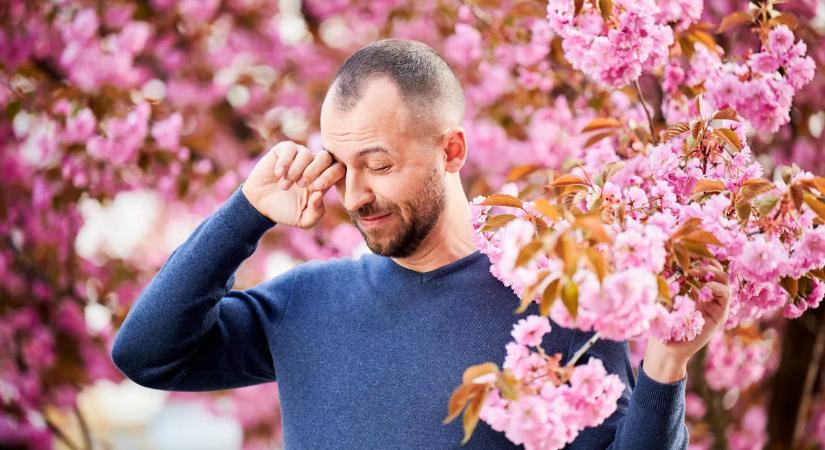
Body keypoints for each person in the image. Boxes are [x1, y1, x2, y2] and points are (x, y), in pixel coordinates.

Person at [112, 39, 730, 449]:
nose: (353, 195)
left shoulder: (554, 305)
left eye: (377, 164)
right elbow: (147, 354)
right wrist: (244, 213)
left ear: (451, 151)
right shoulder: (302, 307)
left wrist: (667, 367)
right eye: (341, 164)